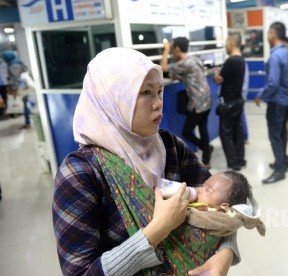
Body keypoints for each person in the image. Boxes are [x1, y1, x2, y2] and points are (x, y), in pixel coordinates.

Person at [53, 48, 239, 276]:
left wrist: (226, 252)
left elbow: (224, 200)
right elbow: (79, 273)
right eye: (146, 93)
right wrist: (158, 229)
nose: (158, 103)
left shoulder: (170, 146)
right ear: (112, 100)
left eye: (159, 91)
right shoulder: (80, 174)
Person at [163, 171, 265, 275]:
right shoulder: (203, 200)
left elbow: (228, 221)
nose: (199, 190)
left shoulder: (216, 217)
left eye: (208, 190)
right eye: (203, 185)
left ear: (224, 205)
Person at [161, 37, 214, 168]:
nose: (172, 52)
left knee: (187, 132)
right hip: (207, 100)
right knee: (203, 129)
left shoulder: (184, 63)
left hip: (197, 102)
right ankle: (206, 160)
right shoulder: (194, 59)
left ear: (177, 49)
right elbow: (190, 75)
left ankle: (206, 148)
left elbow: (162, 67)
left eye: (173, 49)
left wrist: (166, 50)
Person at [255, 22, 288, 184]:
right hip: (285, 99)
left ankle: (279, 170)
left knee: (275, 136)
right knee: (282, 133)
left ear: (272, 34)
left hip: (276, 101)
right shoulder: (286, 53)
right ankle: (282, 161)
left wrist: (260, 95)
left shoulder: (276, 56)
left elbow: (273, 83)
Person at [214, 34, 247, 171]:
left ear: (232, 42)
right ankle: (240, 159)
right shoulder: (241, 60)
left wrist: (216, 72)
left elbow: (219, 80)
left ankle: (233, 163)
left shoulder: (230, 61)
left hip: (228, 102)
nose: (226, 45)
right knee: (237, 131)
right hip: (238, 101)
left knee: (226, 133)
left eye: (227, 42)